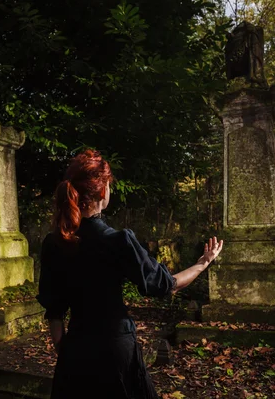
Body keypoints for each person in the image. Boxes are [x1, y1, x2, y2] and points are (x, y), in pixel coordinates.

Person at [37, 150, 223, 399]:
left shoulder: (53, 243)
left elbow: (54, 309)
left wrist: (65, 351)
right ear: (102, 192)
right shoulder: (118, 241)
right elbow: (166, 285)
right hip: (116, 350)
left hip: (76, 348)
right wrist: (203, 263)